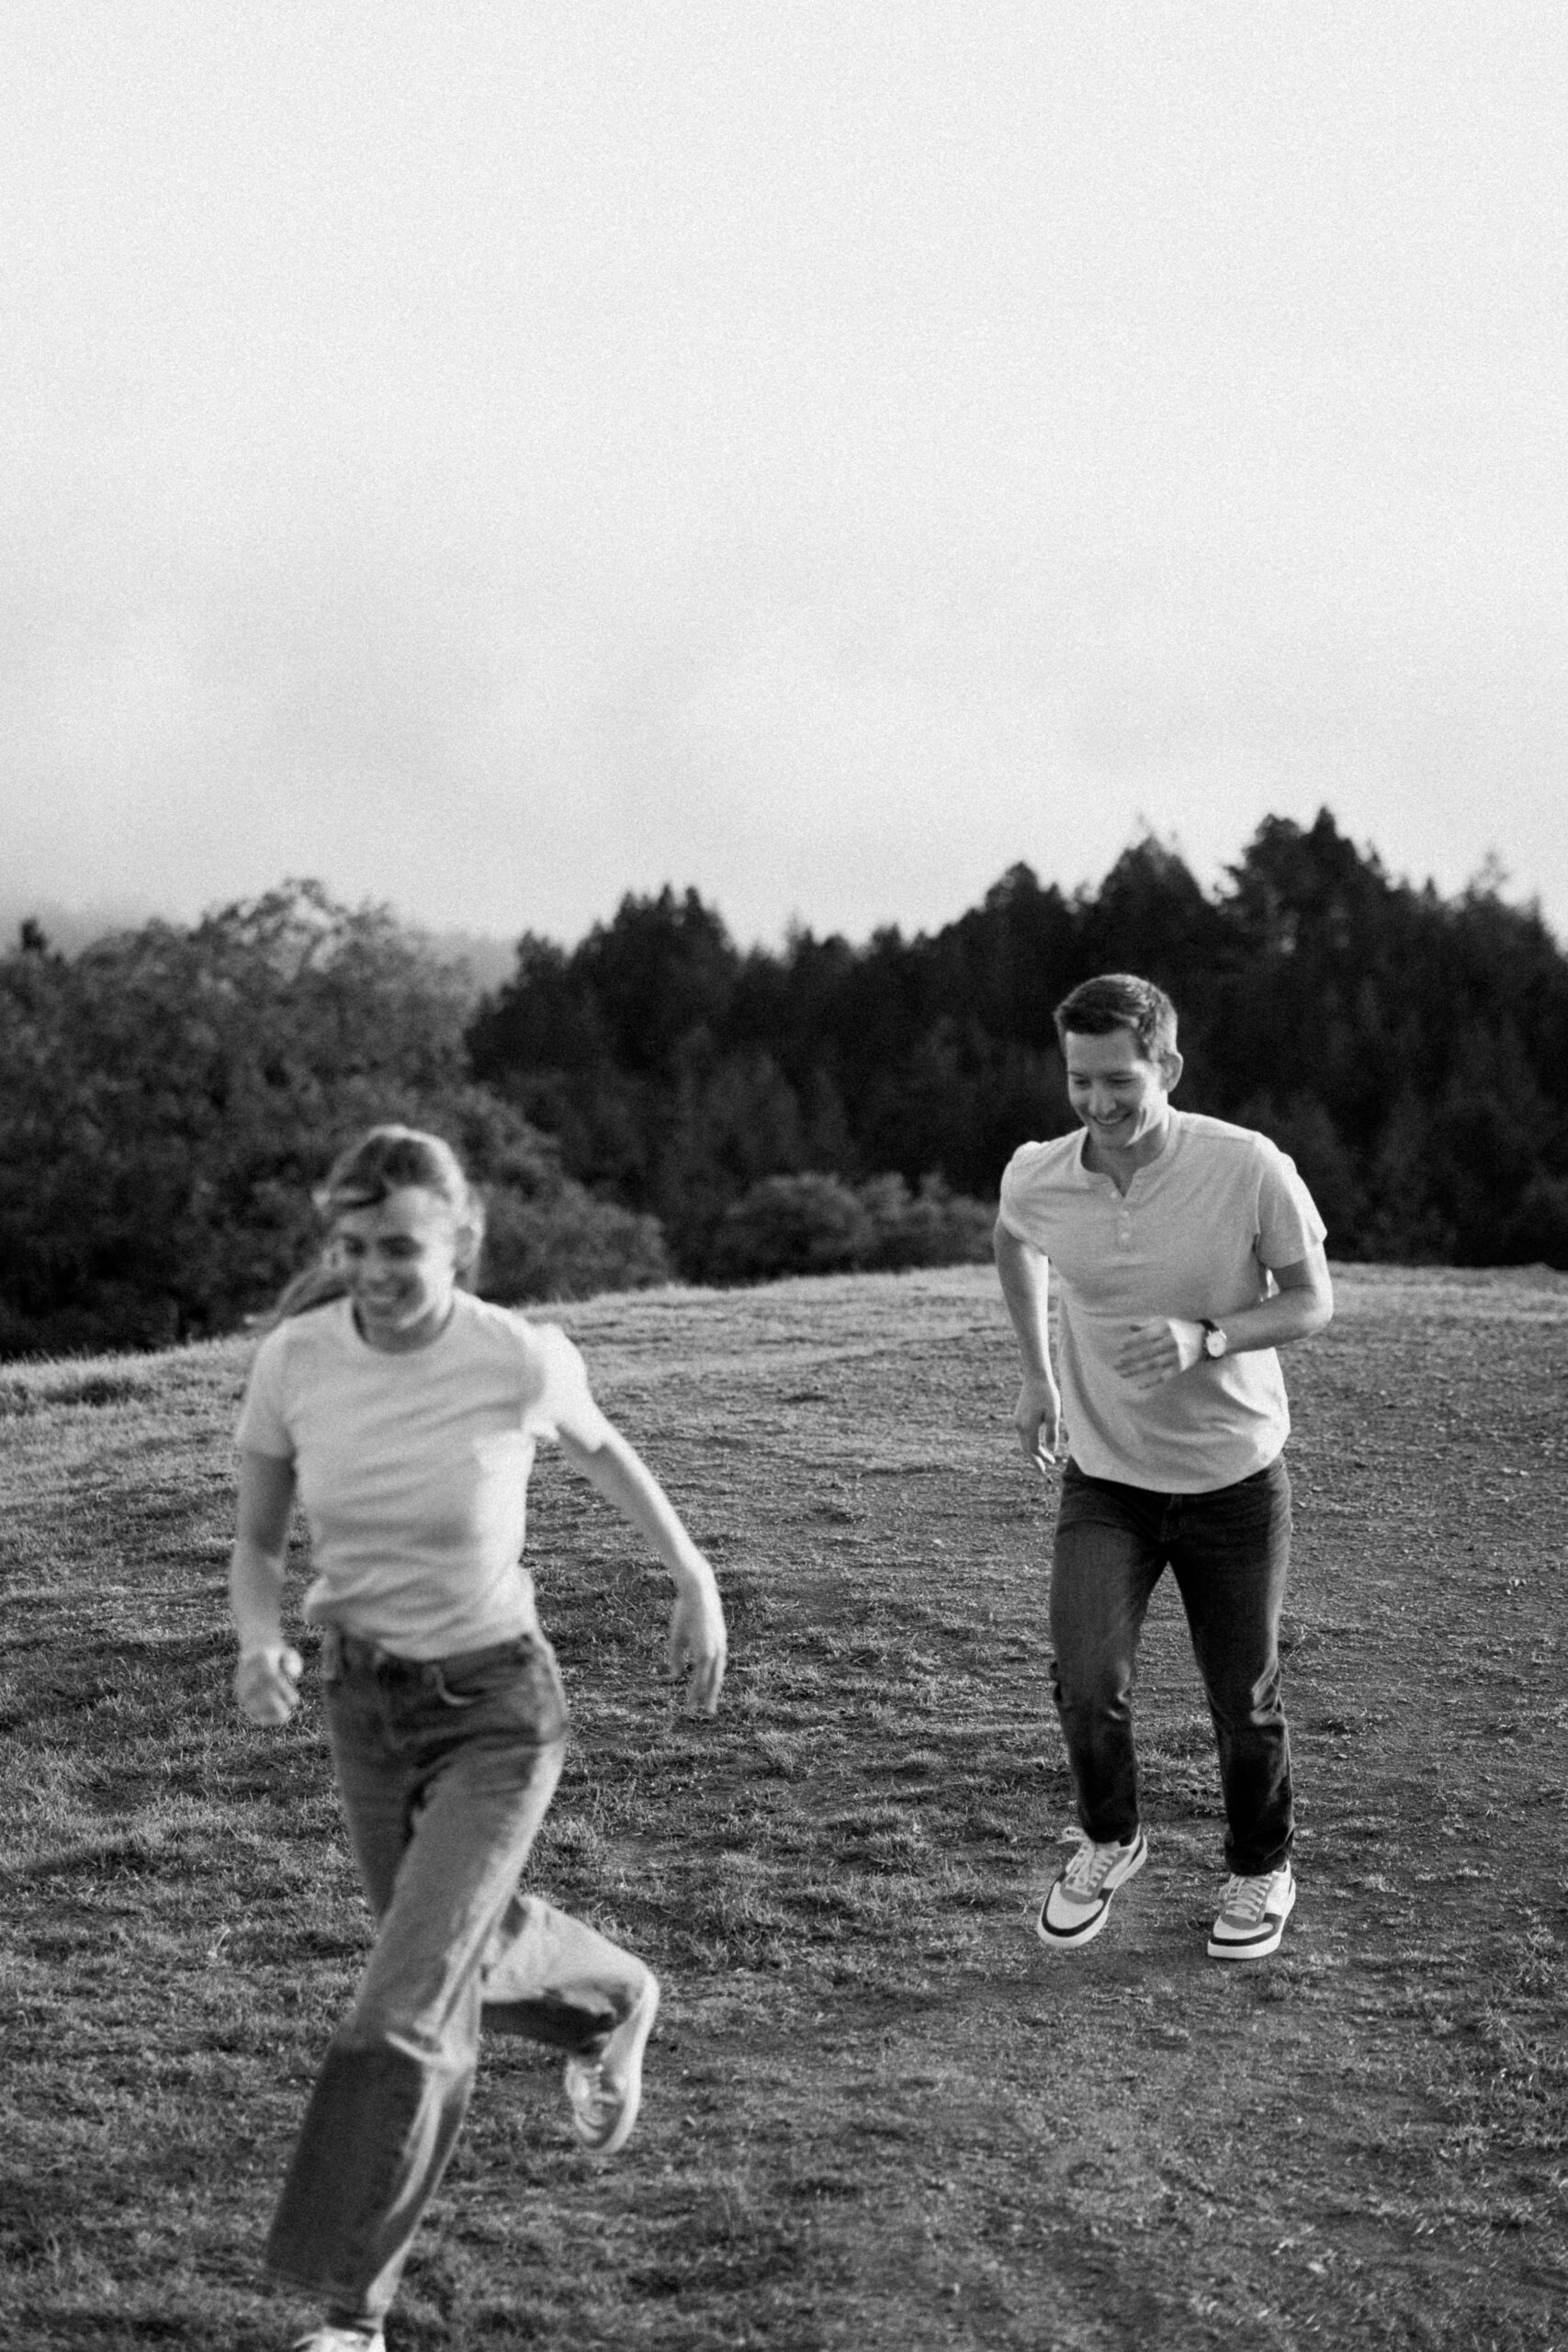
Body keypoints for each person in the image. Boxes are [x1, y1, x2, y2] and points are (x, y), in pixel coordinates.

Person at [228, 1125, 727, 2352]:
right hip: (361, 1707)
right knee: (442, 1949)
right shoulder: (295, 1360)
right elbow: (257, 1541)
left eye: (399, 1247)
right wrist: (254, 1639)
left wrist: (690, 1574)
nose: (375, 1274)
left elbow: (606, 1452)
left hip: (498, 1714)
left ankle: (352, 2315)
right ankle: (611, 2001)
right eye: (351, 1248)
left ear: (458, 1237)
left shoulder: (512, 1356)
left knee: (404, 2006)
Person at [993, 974, 1332, 1962]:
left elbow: (1312, 1300)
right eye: (1078, 1080)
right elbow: (1015, 1241)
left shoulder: (1247, 1166)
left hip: (1233, 1479)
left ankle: (1260, 1865)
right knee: (1086, 1678)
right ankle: (1111, 1839)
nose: (1097, 1103)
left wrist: (1209, 1335)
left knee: (1244, 1694)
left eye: (1118, 1081)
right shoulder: (1038, 1175)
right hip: (1107, 1479)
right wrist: (1036, 1375)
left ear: (1168, 1067)